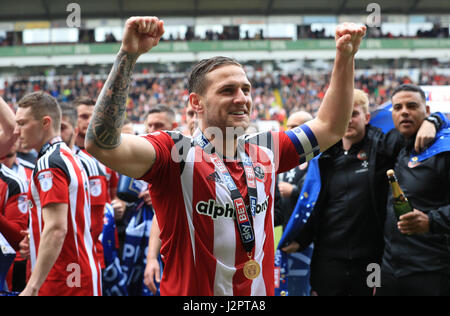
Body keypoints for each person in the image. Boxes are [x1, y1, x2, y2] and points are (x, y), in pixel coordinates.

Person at [85, 16, 366, 295]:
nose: (242, 98)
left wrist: (345, 55)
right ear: (196, 102)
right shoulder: (175, 153)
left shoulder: (267, 149)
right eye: (227, 90)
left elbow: (331, 126)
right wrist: (128, 56)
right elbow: (101, 143)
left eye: (246, 89)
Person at [281, 89, 442, 296]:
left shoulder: (383, 145)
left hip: (370, 258)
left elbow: (413, 129)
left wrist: (434, 120)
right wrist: (302, 239)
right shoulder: (324, 156)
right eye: (344, 115)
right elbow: (313, 202)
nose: (348, 120)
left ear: (366, 117)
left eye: (354, 114)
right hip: (328, 257)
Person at [14, 91, 101, 296]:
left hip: (65, 277)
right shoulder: (66, 156)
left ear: (45, 123)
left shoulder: (48, 165)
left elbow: (56, 229)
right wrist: (36, 237)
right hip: (77, 271)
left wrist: (32, 287)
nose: (17, 131)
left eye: (22, 123)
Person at [377, 84, 450, 296]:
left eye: (411, 106)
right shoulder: (397, 145)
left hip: (432, 271)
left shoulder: (444, 150)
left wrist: (431, 221)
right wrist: (436, 119)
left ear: (426, 111)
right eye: (397, 107)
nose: (404, 111)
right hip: (390, 270)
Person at [60, 104, 109, 270]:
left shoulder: (90, 163)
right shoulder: (43, 160)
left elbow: (95, 222)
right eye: (84, 116)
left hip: (83, 255)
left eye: (62, 128)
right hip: (56, 254)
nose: (89, 121)